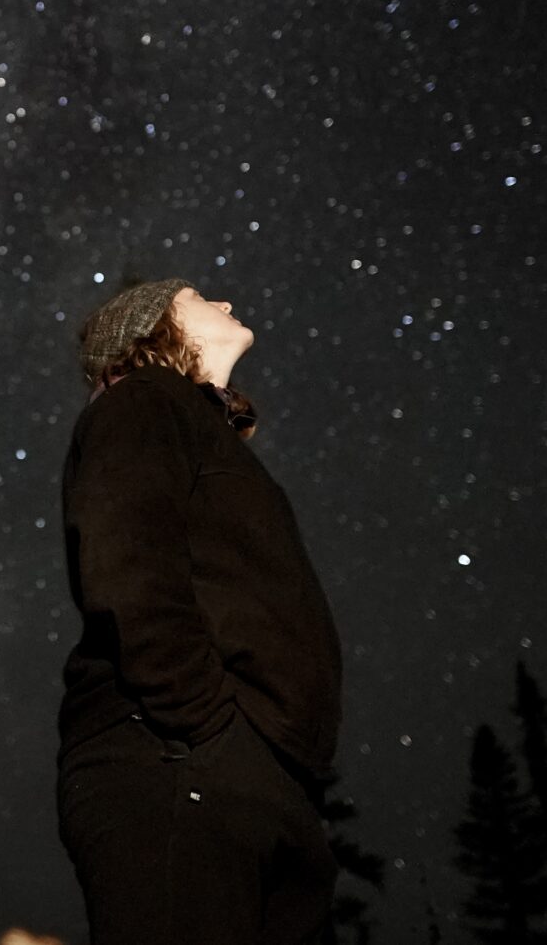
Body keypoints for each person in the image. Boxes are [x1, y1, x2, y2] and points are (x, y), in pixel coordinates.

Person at [56, 278, 344, 945]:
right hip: (178, 755)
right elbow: (126, 563)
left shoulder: (196, 425)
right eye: (196, 294)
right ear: (153, 325)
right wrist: (204, 722)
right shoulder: (144, 401)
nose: (225, 301)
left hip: (265, 776)